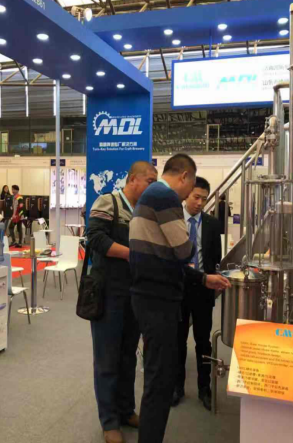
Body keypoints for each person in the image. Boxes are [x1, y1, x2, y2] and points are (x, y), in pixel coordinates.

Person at [129, 154, 230, 443]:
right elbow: (185, 251)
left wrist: (204, 279)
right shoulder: (165, 197)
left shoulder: (150, 196)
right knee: (159, 381)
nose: (191, 197)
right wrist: (186, 246)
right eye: (191, 190)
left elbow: (169, 259)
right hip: (158, 301)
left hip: (150, 297)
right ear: (184, 176)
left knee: (158, 377)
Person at [87, 161, 158, 443]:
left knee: (129, 356)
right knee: (107, 359)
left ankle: (126, 410)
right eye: (150, 180)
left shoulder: (144, 212)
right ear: (132, 179)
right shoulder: (108, 202)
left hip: (134, 294)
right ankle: (109, 422)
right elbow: (95, 239)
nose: (153, 186)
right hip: (108, 294)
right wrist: (132, 254)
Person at [173, 177, 222, 411]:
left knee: (203, 342)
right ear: (187, 195)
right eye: (196, 197)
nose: (200, 203)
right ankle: (177, 387)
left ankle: (205, 388)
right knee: (178, 340)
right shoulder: (174, 221)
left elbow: (215, 258)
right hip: (179, 289)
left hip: (203, 290)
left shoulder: (212, 224)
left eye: (204, 198)